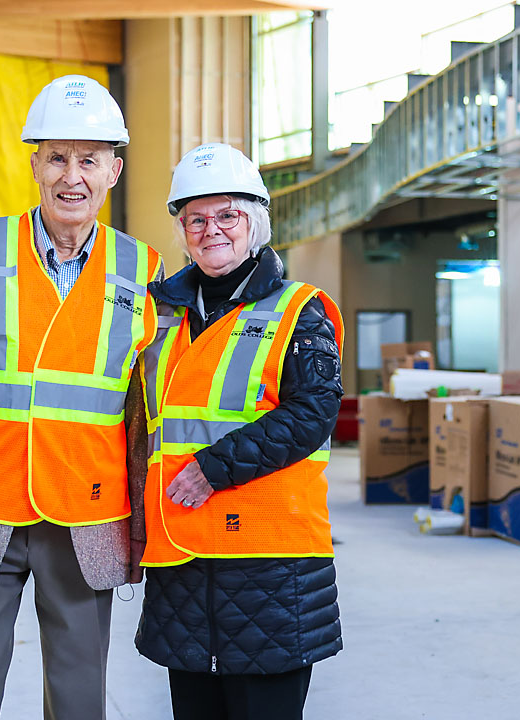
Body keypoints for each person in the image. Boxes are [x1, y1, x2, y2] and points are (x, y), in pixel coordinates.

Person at [0, 74, 162, 720]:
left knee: (79, 701)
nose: (73, 177)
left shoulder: (144, 272)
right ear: (35, 164)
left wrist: (144, 528)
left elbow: (145, 419)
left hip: (88, 518)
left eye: (89, 160)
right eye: (58, 157)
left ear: (114, 171)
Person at [134, 142, 344, 720]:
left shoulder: (299, 311)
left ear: (255, 221)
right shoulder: (160, 315)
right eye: (195, 219)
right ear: (182, 231)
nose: (212, 231)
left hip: (269, 557)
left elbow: (313, 412)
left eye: (227, 215)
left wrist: (214, 467)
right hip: (180, 549)